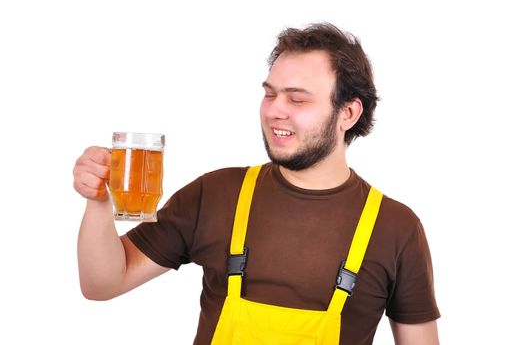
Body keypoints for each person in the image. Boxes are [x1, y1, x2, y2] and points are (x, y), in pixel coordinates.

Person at [73, 23, 440, 344]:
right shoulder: (215, 194)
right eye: (270, 93)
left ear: (348, 113)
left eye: (297, 98)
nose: (275, 110)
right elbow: (102, 284)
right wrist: (98, 200)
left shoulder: (396, 228)